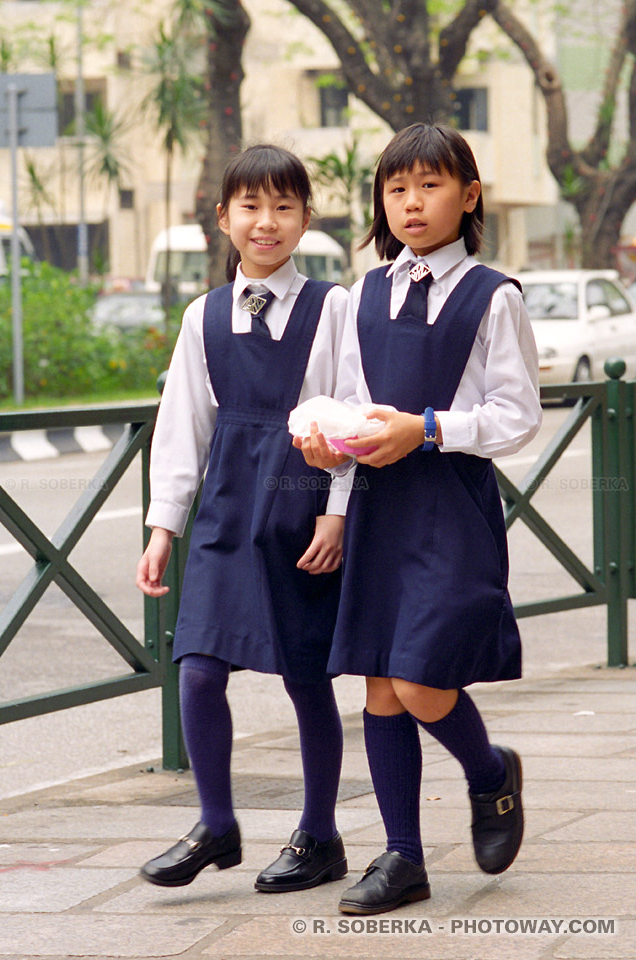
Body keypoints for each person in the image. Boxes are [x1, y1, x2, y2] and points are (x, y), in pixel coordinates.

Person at [294, 122, 542, 915]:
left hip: (451, 505)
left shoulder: (493, 295)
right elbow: (335, 394)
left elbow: (518, 416)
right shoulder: (359, 294)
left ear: (468, 196)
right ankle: (402, 857)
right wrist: (322, 443)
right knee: (380, 685)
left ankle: (488, 770)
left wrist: (428, 429)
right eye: (396, 188)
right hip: (376, 503)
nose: (411, 202)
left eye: (430, 185)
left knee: (421, 677)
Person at [137, 144, 350, 895]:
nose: (266, 222)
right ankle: (215, 823)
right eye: (250, 207)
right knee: (197, 668)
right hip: (227, 504)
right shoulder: (204, 317)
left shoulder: (333, 308)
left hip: (298, 495)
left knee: (304, 673)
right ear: (223, 218)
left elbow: (349, 416)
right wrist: (164, 526)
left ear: (304, 220)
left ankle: (320, 834)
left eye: (283, 206)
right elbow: (183, 426)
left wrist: (336, 513)